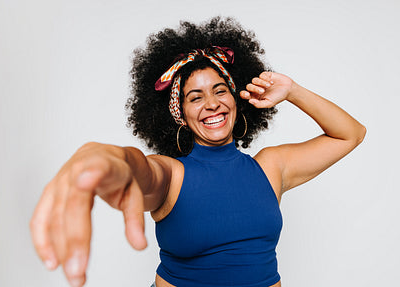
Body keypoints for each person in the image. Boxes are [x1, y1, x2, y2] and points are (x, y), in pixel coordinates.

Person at [30, 17, 366, 287]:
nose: (212, 104)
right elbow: (139, 169)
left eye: (221, 91)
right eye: (195, 97)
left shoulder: (271, 167)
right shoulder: (172, 174)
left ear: (236, 100)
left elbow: (350, 134)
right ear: (180, 115)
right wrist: (105, 157)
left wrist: (292, 90)